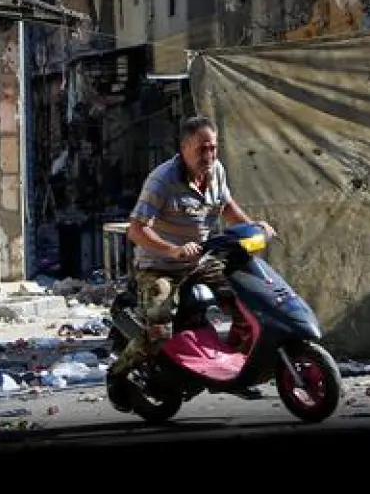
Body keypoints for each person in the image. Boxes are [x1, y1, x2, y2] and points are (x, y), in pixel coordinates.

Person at [107, 115, 274, 401]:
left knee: (250, 304)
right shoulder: (162, 180)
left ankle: (235, 370)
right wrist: (173, 250)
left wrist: (253, 228)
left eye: (213, 148)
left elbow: (227, 208)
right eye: (201, 149)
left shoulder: (217, 171)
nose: (209, 155)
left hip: (200, 262)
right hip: (159, 267)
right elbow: (136, 230)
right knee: (158, 331)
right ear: (184, 148)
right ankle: (119, 375)